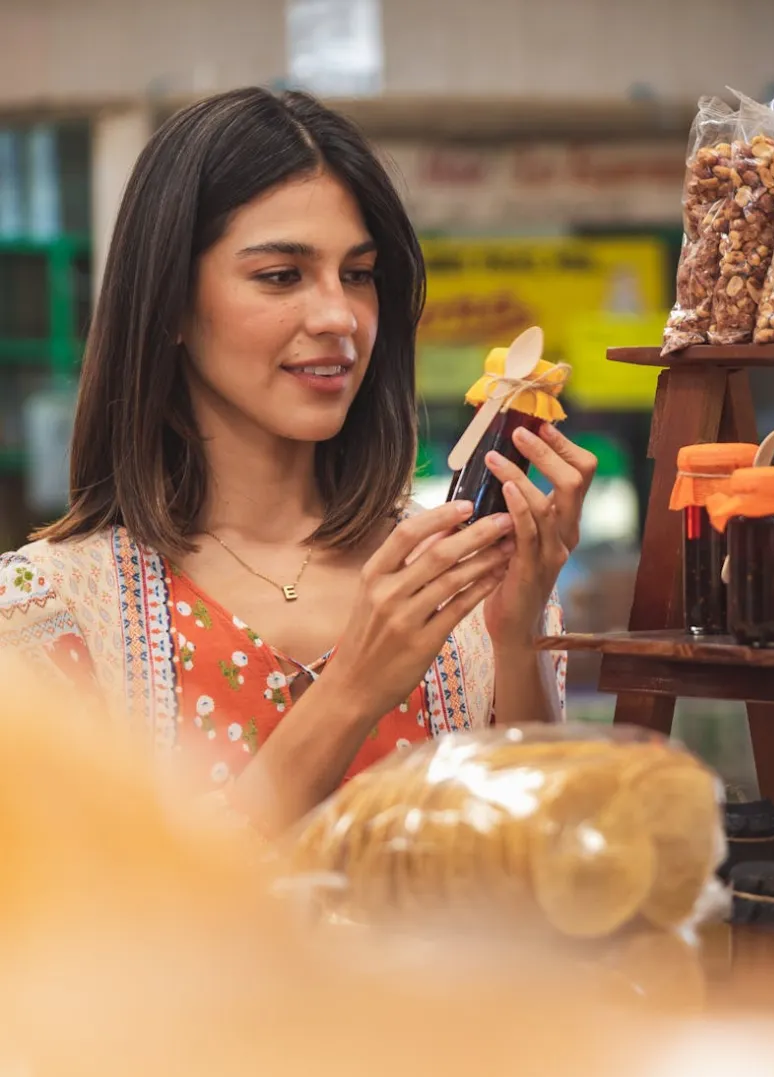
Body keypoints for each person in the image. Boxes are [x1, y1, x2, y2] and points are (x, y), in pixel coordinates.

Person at [0, 88, 595, 837]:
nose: (338, 317)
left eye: (358, 274)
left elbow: (543, 869)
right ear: (171, 304)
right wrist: (351, 691)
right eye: (281, 275)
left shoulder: (455, 580)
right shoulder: (49, 612)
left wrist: (517, 639)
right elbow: (94, 922)